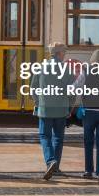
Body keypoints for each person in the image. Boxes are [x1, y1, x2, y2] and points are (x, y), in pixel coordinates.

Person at [30, 42, 74, 180]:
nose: (64, 55)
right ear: (59, 53)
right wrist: (69, 107)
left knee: (45, 136)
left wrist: (38, 102)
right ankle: (56, 166)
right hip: (61, 110)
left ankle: (50, 161)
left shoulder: (41, 67)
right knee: (58, 138)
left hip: (45, 109)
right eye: (64, 53)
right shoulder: (67, 70)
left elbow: (33, 88)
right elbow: (72, 92)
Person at [75, 49, 99, 184]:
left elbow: (76, 87)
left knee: (88, 142)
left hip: (90, 110)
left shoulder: (86, 71)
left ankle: (88, 171)